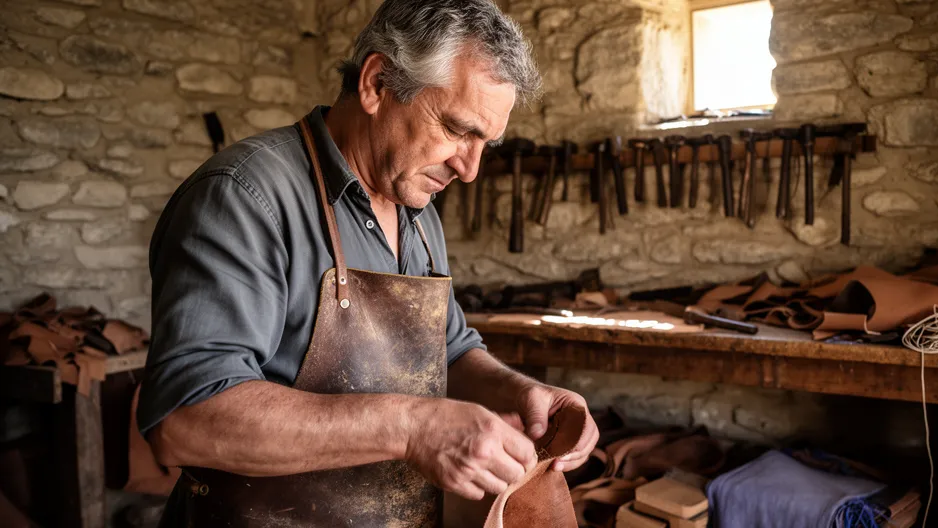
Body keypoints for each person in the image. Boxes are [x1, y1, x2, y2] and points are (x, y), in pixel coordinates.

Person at [137, 0, 599, 525]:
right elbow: (185, 417)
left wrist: (522, 392)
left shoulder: (417, 214)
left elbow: (448, 350)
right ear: (377, 84)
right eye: (455, 128)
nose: (469, 170)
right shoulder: (245, 197)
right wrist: (412, 427)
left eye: (485, 144)